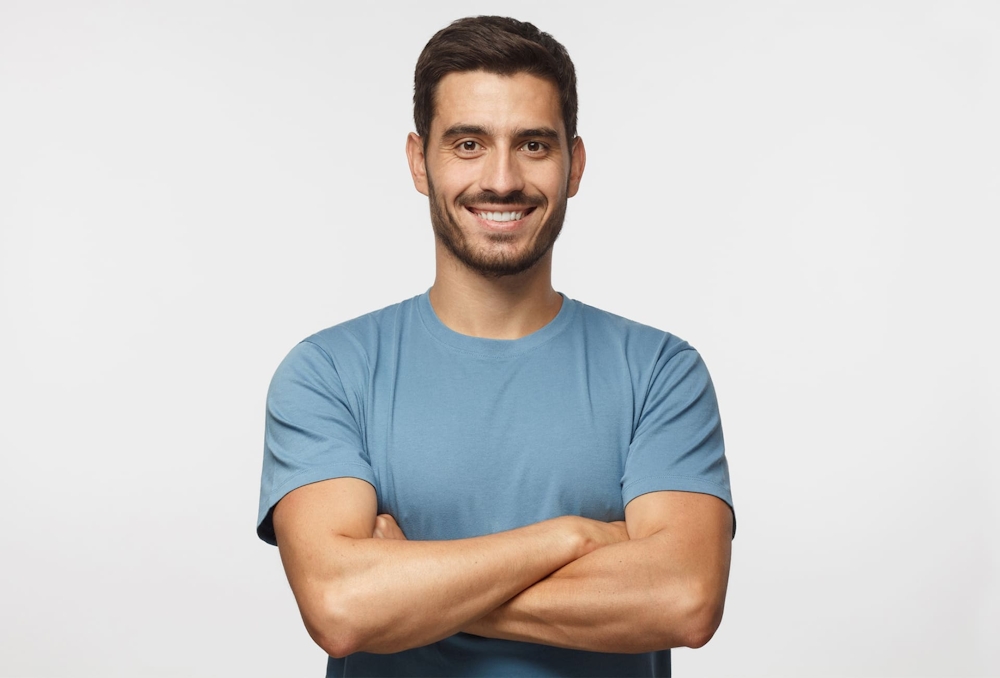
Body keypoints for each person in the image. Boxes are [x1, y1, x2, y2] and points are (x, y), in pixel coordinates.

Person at [257, 15, 734, 677]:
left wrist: (414, 585)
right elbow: (341, 606)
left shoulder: (659, 372)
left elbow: (684, 599)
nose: (503, 179)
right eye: (469, 143)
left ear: (576, 164)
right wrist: (573, 537)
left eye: (534, 145)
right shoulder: (328, 374)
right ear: (419, 162)